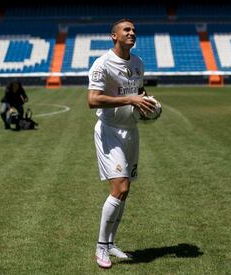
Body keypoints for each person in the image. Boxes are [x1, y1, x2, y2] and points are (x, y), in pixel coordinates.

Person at [87, 18, 156, 268]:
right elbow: (93, 100)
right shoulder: (102, 64)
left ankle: (112, 243)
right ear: (113, 36)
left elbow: (138, 93)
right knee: (120, 188)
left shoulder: (138, 63)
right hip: (110, 131)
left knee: (125, 194)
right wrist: (130, 99)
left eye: (134, 30)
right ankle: (100, 247)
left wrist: (147, 104)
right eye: (126, 30)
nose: (132, 33)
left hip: (131, 131)